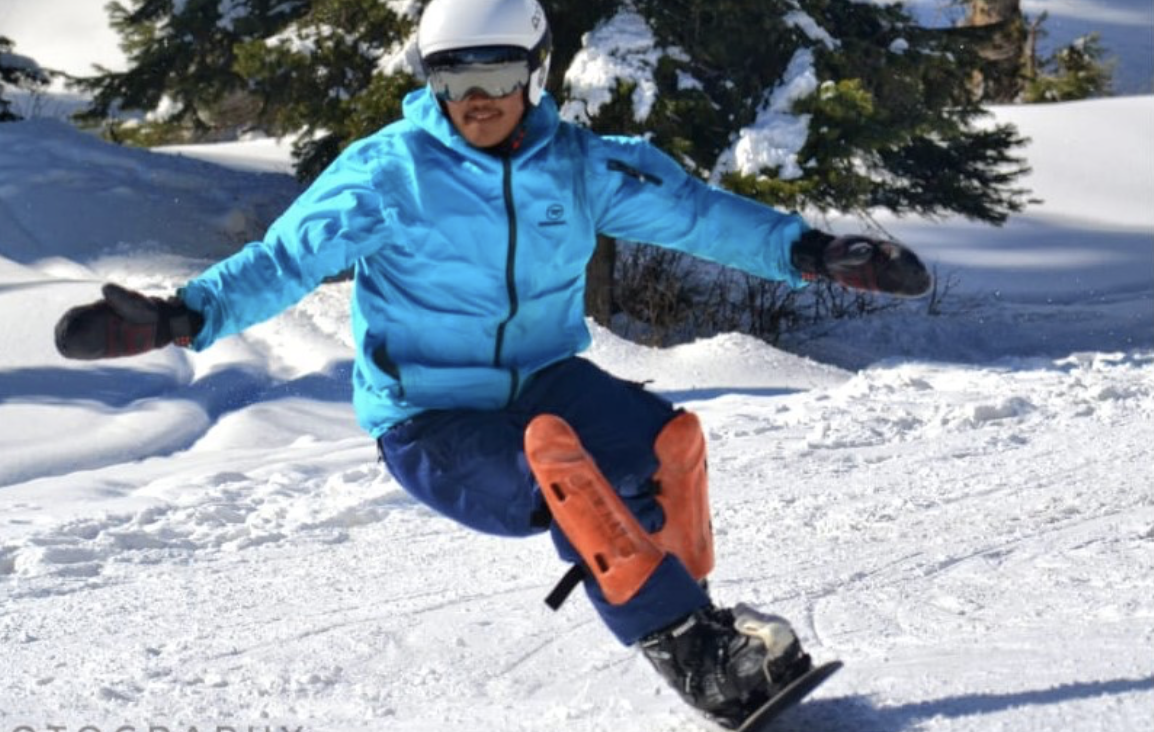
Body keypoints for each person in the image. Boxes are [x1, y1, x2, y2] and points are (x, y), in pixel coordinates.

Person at [55, 0, 931, 726]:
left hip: (547, 379)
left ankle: (692, 613)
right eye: (455, 82)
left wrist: (811, 252)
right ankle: (696, 656)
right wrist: (184, 315)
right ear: (431, 83)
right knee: (564, 470)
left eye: (498, 80)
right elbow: (286, 257)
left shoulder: (579, 167)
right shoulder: (389, 175)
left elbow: (697, 215)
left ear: (535, 77)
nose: (476, 101)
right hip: (433, 417)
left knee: (670, 447)